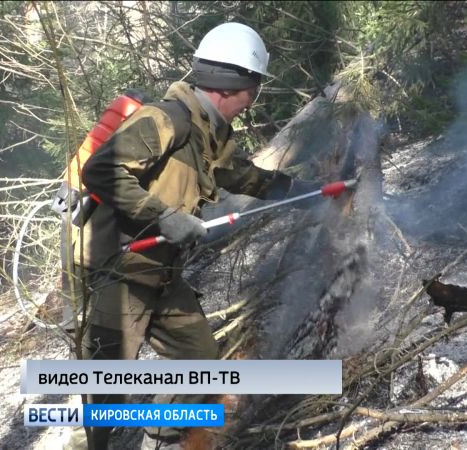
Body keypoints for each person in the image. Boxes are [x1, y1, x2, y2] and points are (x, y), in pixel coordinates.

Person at [67, 22, 319, 450]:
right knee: (106, 387)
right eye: (253, 88)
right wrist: (163, 215)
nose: (252, 99)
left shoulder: (209, 134)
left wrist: (299, 193)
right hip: (118, 273)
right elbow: (100, 172)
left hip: (161, 275)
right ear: (229, 85)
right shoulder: (164, 121)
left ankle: (162, 435)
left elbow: (240, 175)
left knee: (201, 360)